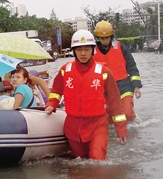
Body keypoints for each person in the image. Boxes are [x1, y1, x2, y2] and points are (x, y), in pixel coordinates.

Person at [45, 30, 128, 160]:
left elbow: (115, 101)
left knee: (97, 161)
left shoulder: (104, 72)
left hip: (97, 126)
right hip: (73, 127)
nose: (83, 53)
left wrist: (121, 129)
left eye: (86, 49)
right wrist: (52, 104)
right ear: (74, 51)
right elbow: (56, 91)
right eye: (79, 50)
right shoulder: (65, 70)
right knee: (79, 162)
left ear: (93, 50)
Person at [93, 20, 143, 123]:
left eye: (107, 38)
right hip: (104, 89)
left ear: (111, 36)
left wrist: (136, 86)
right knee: (109, 119)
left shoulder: (121, 48)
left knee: (128, 114)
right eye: (102, 38)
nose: (105, 41)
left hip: (123, 86)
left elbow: (132, 67)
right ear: (98, 38)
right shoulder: (92, 51)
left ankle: (132, 124)